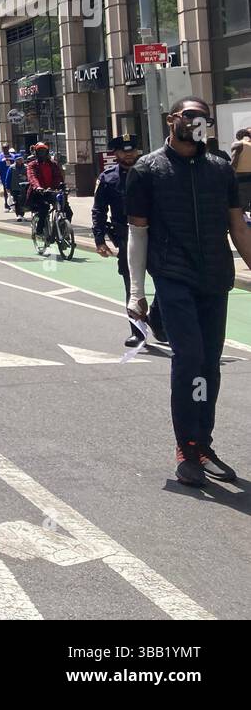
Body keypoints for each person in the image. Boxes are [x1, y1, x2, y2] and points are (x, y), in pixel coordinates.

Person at [126, 97, 251, 487]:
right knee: (190, 356)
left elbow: (238, 226)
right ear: (172, 120)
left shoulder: (220, 169)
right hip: (173, 275)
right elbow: (138, 231)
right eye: (191, 117)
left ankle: (203, 444)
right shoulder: (148, 169)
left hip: (215, 276)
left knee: (210, 362)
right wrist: (136, 291)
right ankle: (187, 447)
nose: (197, 124)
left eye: (204, 119)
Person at [92, 135, 165, 348]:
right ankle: (138, 332)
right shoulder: (108, 178)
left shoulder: (151, 174)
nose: (129, 154)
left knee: (165, 279)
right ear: (115, 154)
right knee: (132, 286)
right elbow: (98, 210)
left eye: (132, 150)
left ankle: (156, 319)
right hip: (126, 238)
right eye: (124, 151)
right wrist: (99, 240)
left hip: (156, 235)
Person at [24, 142, 65, 242]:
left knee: (66, 209)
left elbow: (58, 176)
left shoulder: (53, 164)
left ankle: (64, 232)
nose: (42, 154)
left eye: (44, 151)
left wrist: (61, 185)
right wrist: (37, 187)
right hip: (38, 193)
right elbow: (32, 177)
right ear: (36, 153)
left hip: (51, 191)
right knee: (44, 208)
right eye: (40, 151)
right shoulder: (32, 165)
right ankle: (39, 231)